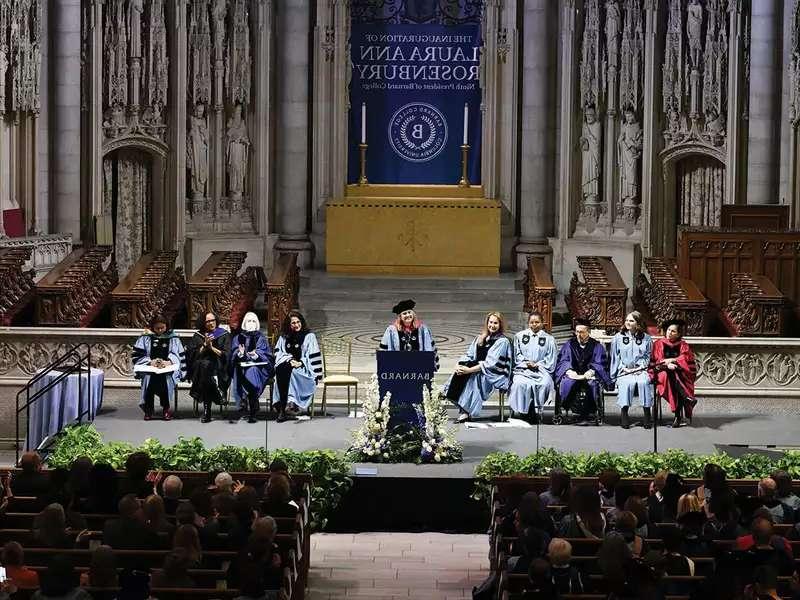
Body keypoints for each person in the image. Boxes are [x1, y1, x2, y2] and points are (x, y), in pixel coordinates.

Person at [442, 311, 512, 423]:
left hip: (491, 374)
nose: (492, 326)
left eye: (495, 323)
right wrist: (458, 365)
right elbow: (469, 355)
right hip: (476, 369)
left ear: (500, 325)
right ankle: (463, 410)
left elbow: (490, 364)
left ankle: (465, 412)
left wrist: (469, 370)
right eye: (490, 322)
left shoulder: (502, 341)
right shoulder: (481, 338)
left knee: (471, 379)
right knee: (458, 373)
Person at [554, 318, 612, 425]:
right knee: (567, 382)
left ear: (588, 332)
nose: (578, 335)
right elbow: (563, 360)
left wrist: (591, 372)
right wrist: (569, 371)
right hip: (573, 374)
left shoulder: (597, 346)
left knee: (592, 384)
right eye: (577, 332)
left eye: (581, 332)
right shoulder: (569, 344)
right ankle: (566, 410)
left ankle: (590, 413)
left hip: (590, 375)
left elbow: (600, 363)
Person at [132, 314, 185, 421]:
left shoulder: (173, 337)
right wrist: (149, 362)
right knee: (148, 380)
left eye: (162, 328)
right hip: (150, 368)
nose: (160, 330)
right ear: (152, 327)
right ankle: (148, 410)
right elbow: (137, 354)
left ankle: (166, 409)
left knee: (166, 381)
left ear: (167, 326)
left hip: (166, 369)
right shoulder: (146, 337)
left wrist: (169, 362)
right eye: (157, 328)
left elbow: (177, 355)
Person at [272, 310, 323, 422]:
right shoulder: (284, 337)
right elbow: (278, 353)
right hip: (287, 363)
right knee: (281, 370)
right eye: (293, 323)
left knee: (292, 373)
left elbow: (313, 354)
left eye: (298, 322)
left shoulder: (309, 336)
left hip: (304, 368)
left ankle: (287, 406)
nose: (296, 325)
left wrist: (301, 362)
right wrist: (289, 359)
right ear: (289, 325)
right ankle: (283, 407)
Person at [507, 311, 557, 423]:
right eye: (531, 322)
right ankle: (523, 412)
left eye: (537, 322)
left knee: (544, 384)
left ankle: (536, 410)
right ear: (528, 323)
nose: (534, 324)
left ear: (542, 323)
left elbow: (551, 358)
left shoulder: (549, 339)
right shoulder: (519, 336)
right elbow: (516, 354)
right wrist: (525, 363)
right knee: (520, 384)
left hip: (541, 371)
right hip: (522, 370)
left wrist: (538, 364)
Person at [610, 311, 654, 429]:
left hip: (641, 369)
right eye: (627, 320)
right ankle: (624, 414)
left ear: (638, 323)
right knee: (626, 383)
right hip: (624, 369)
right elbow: (615, 356)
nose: (628, 323)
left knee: (644, 382)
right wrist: (622, 368)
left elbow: (647, 355)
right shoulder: (618, 337)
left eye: (631, 321)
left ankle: (647, 415)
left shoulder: (646, 338)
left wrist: (641, 367)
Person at [650, 318, 697, 428]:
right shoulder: (658, 344)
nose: (669, 333)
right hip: (661, 372)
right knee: (670, 375)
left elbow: (687, 359)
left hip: (679, 371)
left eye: (673, 331)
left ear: (678, 334)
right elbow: (656, 361)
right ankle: (685, 399)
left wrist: (673, 360)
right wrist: (667, 365)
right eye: (668, 330)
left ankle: (678, 415)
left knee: (678, 377)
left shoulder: (683, 345)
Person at [230, 311, 274, 424]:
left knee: (253, 370)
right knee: (247, 370)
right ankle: (253, 408)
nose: (251, 323)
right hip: (241, 368)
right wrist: (240, 353)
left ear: (257, 323)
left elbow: (267, 355)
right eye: (249, 321)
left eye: (253, 321)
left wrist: (256, 354)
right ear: (244, 323)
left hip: (260, 369)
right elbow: (233, 354)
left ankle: (247, 400)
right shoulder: (238, 338)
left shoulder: (261, 338)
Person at [187, 311, 231, 423]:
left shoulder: (224, 334)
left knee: (205, 370)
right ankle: (218, 393)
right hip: (201, 369)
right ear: (203, 323)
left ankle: (207, 411)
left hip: (219, 367)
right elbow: (192, 355)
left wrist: (211, 348)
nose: (211, 323)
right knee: (204, 366)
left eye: (213, 320)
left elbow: (226, 355)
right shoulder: (198, 336)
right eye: (208, 321)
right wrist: (204, 345)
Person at [379, 299, 439, 371]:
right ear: (400, 317)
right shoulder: (391, 330)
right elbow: (384, 350)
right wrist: (384, 368)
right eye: (404, 313)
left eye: (409, 312)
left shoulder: (423, 329)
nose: (408, 315)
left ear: (413, 314)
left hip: (419, 367)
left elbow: (430, 347)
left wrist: (432, 365)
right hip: (398, 367)